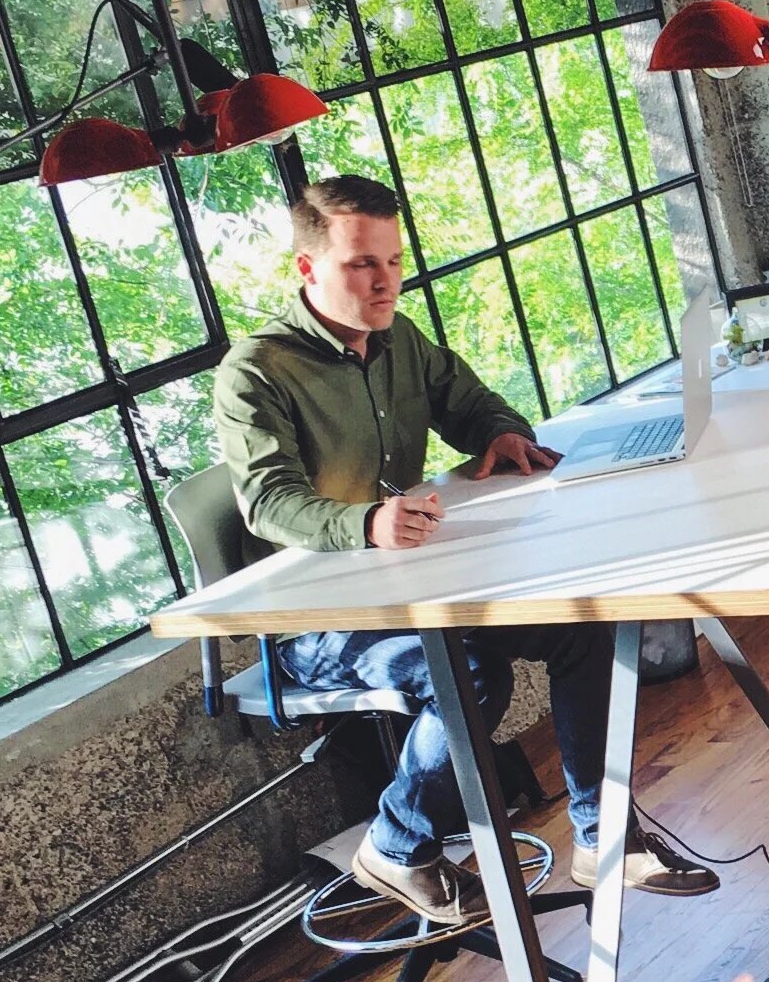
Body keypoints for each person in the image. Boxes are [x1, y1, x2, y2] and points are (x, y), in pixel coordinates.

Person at [214, 175, 718, 921]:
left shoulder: (399, 340)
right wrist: (366, 523)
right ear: (308, 268)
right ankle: (396, 846)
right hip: (315, 624)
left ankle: (604, 837)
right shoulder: (255, 371)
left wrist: (500, 434)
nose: (385, 281)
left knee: (585, 629)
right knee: (470, 674)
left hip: (417, 584)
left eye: (393, 261)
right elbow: (268, 502)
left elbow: (475, 406)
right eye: (362, 264)